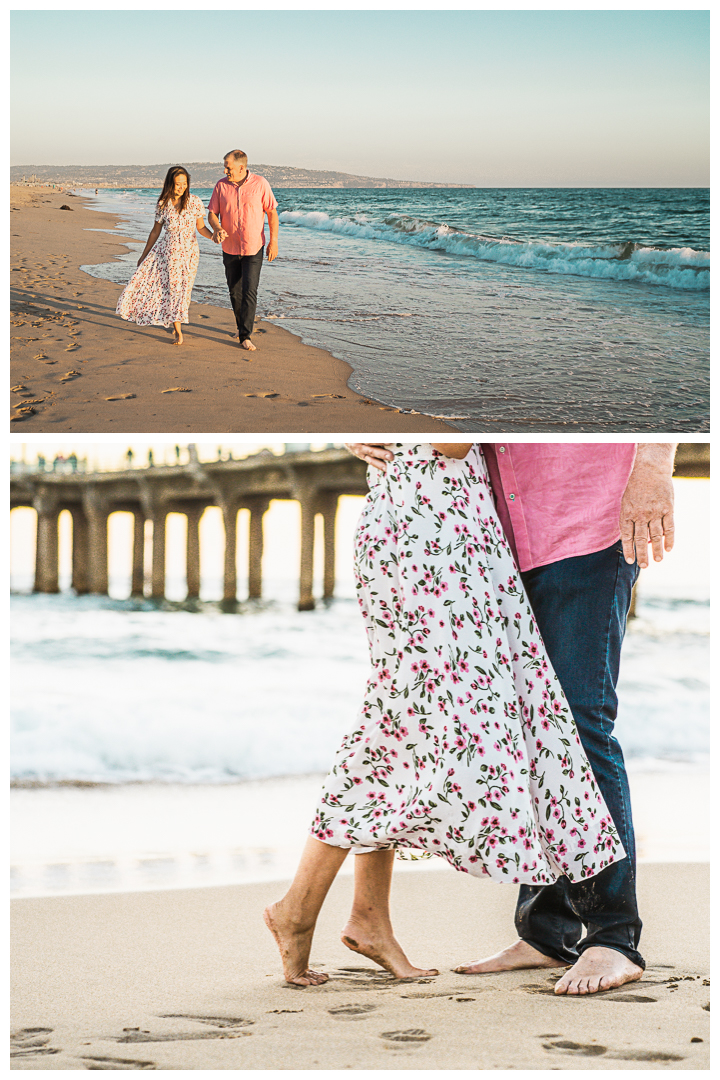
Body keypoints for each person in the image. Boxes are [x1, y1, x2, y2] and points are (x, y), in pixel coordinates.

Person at [264, 443, 628, 987]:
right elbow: (453, 435)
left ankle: (367, 917)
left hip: (434, 521)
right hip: (437, 533)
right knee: (401, 722)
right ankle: (299, 908)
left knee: (401, 722)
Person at [346, 440, 676, 995]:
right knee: (532, 725)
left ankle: (613, 937)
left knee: (578, 723)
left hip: (590, 520)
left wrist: (653, 468)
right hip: (496, 536)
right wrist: (360, 431)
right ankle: (547, 933)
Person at [116, 166, 214, 345]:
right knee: (175, 290)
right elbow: (155, 232)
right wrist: (143, 255)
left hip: (190, 255)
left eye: (184, 184)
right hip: (169, 253)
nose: (181, 187)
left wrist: (214, 236)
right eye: (178, 184)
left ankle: (172, 319)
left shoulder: (194, 201)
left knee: (185, 292)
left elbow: (200, 227)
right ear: (170, 184)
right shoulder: (163, 204)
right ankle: (178, 331)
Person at [207, 150, 279, 353]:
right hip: (229, 247)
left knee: (249, 290)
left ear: (241, 167)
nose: (225, 170)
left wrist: (273, 242)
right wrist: (217, 228)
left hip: (254, 246)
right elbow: (212, 213)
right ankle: (241, 327)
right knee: (234, 291)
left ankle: (245, 335)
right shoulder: (221, 186)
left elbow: (272, 213)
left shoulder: (261, 184)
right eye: (225, 167)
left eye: (228, 167)